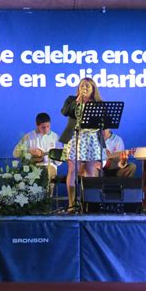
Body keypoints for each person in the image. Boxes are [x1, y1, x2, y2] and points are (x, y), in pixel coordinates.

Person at [60, 78, 105, 211]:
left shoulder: (98, 103)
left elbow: (104, 123)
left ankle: (89, 203)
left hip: (92, 138)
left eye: (87, 86)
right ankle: (71, 204)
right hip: (75, 137)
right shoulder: (71, 99)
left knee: (90, 171)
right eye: (81, 86)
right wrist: (77, 102)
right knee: (73, 170)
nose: (84, 88)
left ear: (93, 89)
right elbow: (64, 112)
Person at [13, 112, 62, 194]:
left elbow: (60, 161)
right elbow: (15, 153)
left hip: (49, 166)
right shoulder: (29, 136)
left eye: (48, 126)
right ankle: (33, 202)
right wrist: (29, 151)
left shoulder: (55, 137)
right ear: (37, 125)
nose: (46, 129)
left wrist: (48, 155)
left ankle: (46, 201)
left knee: (45, 173)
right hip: (33, 166)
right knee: (25, 175)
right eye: (43, 127)